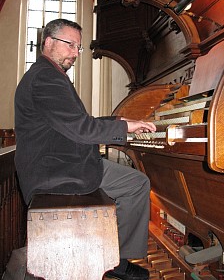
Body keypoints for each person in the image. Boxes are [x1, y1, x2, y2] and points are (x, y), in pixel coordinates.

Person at [14, 18, 156, 280]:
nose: (75, 53)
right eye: (70, 45)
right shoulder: (46, 78)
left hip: (62, 162)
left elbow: (74, 125)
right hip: (56, 173)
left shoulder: (47, 75)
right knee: (137, 184)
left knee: (135, 182)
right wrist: (124, 129)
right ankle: (116, 260)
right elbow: (81, 129)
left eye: (78, 47)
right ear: (48, 42)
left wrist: (119, 121)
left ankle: (114, 256)